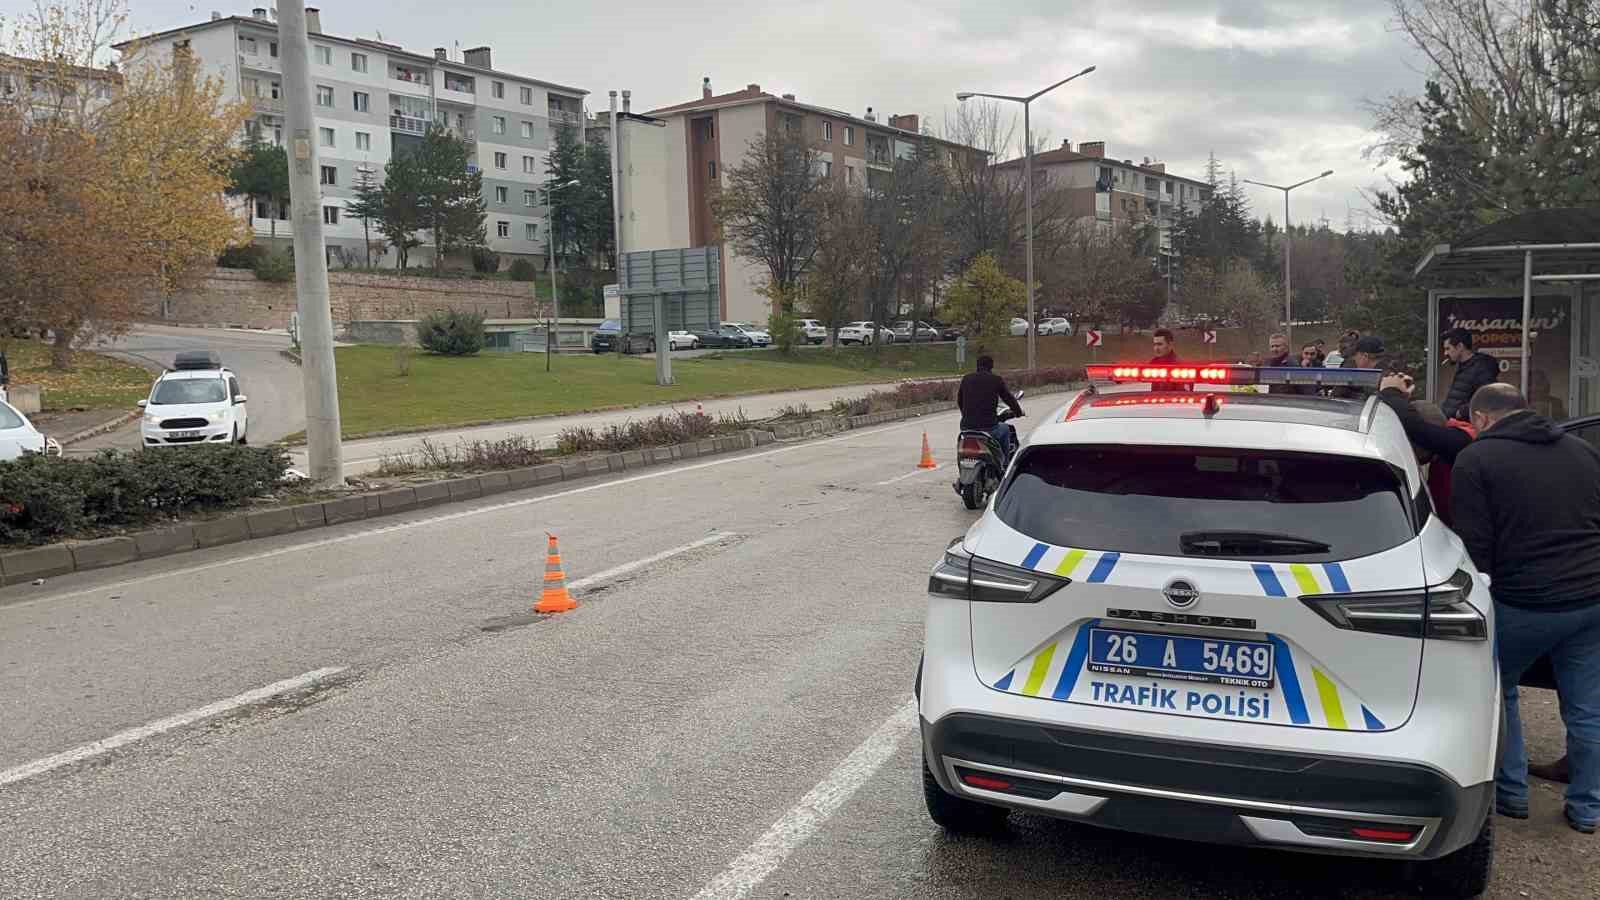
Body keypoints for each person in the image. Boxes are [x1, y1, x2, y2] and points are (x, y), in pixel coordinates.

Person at [1452, 383, 1600, 834]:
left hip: (1524, 600)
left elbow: (1475, 545)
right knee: (1587, 705)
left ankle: (1513, 794)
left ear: (1480, 419)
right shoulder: (1581, 450)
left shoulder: (1476, 459)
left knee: (1505, 689)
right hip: (1591, 598)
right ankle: (1588, 807)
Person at [957, 354, 1024, 467]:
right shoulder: (996, 380)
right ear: (991, 367)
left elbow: (960, 400)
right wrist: (1018, 412)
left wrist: (967, 415)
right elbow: (1009, 399)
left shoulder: (966, 378)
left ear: (977, 366)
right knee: (1006, 430)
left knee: (961, 446)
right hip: (989, 427)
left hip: (966, 427)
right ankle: (1005, 465)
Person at [1440, 328, 1500, 421]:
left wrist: (1462, 412)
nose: (1445, 353)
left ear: (1460, 346)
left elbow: (1488, 397)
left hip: (1466, 428)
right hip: (1453, 423)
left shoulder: (1481, 367)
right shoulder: (1464, 366)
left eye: (1448, 348)